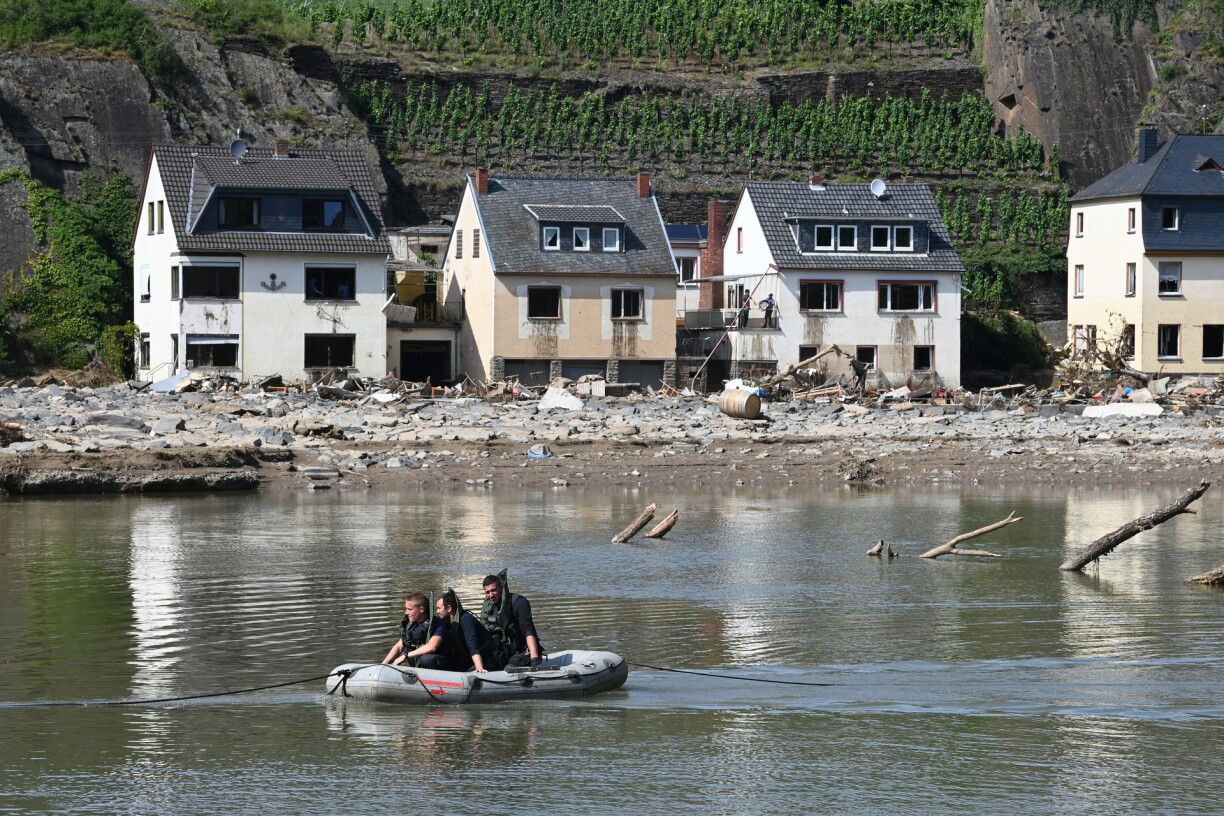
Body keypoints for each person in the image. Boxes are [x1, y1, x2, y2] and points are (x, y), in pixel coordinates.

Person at [480, 571, 542, 669]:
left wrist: (534, 659)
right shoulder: (490, 609)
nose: (491, 595)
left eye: (494, 590)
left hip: (523, 652)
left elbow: (528, 631)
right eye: (487, 592)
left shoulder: (519, 603)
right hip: (505, 653)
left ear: (501, 587)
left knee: (511, 666)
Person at [436, 589, 499, 673]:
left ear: (449, 608)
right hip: (465, 659)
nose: (437, 611)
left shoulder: (466, 619)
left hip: (486, 659)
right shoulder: (447, 623)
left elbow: (472, 644)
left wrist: (479, 667)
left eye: (439, 608)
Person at [381, 592, 448, 669]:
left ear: (421, 609)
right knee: (407, 648)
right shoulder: (411, 625)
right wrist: (383, 665)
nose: (406, 613)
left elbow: (432, 647)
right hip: (419, 667)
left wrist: (405, 656)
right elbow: (399, 646)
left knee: (427, 659)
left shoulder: (437, 624)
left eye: (410, 609)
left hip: (440, 665)